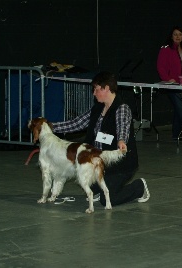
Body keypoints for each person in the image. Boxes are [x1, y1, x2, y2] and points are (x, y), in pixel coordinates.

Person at [51, 71, 150, 207]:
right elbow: (76, 123)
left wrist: (121, 141)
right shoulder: (97, 108)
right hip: (100, 163)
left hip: (120, 165)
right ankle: (100, 187)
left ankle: (139, 187)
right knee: (87, 184)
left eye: (96, 89)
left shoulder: (122, 108)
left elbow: (123, 128)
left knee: (108, 200)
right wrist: (51, 126)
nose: (94, 93)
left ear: (107, 88)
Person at [157, 26, 182, 141]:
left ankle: (176, 134)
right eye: (175, 34)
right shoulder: (166, 48)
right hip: (173, 85)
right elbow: (160, 66)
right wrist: (168, 79)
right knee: (181, 109)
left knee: (181, 109)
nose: (178, 36)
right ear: (171, 36)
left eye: (180, 34)